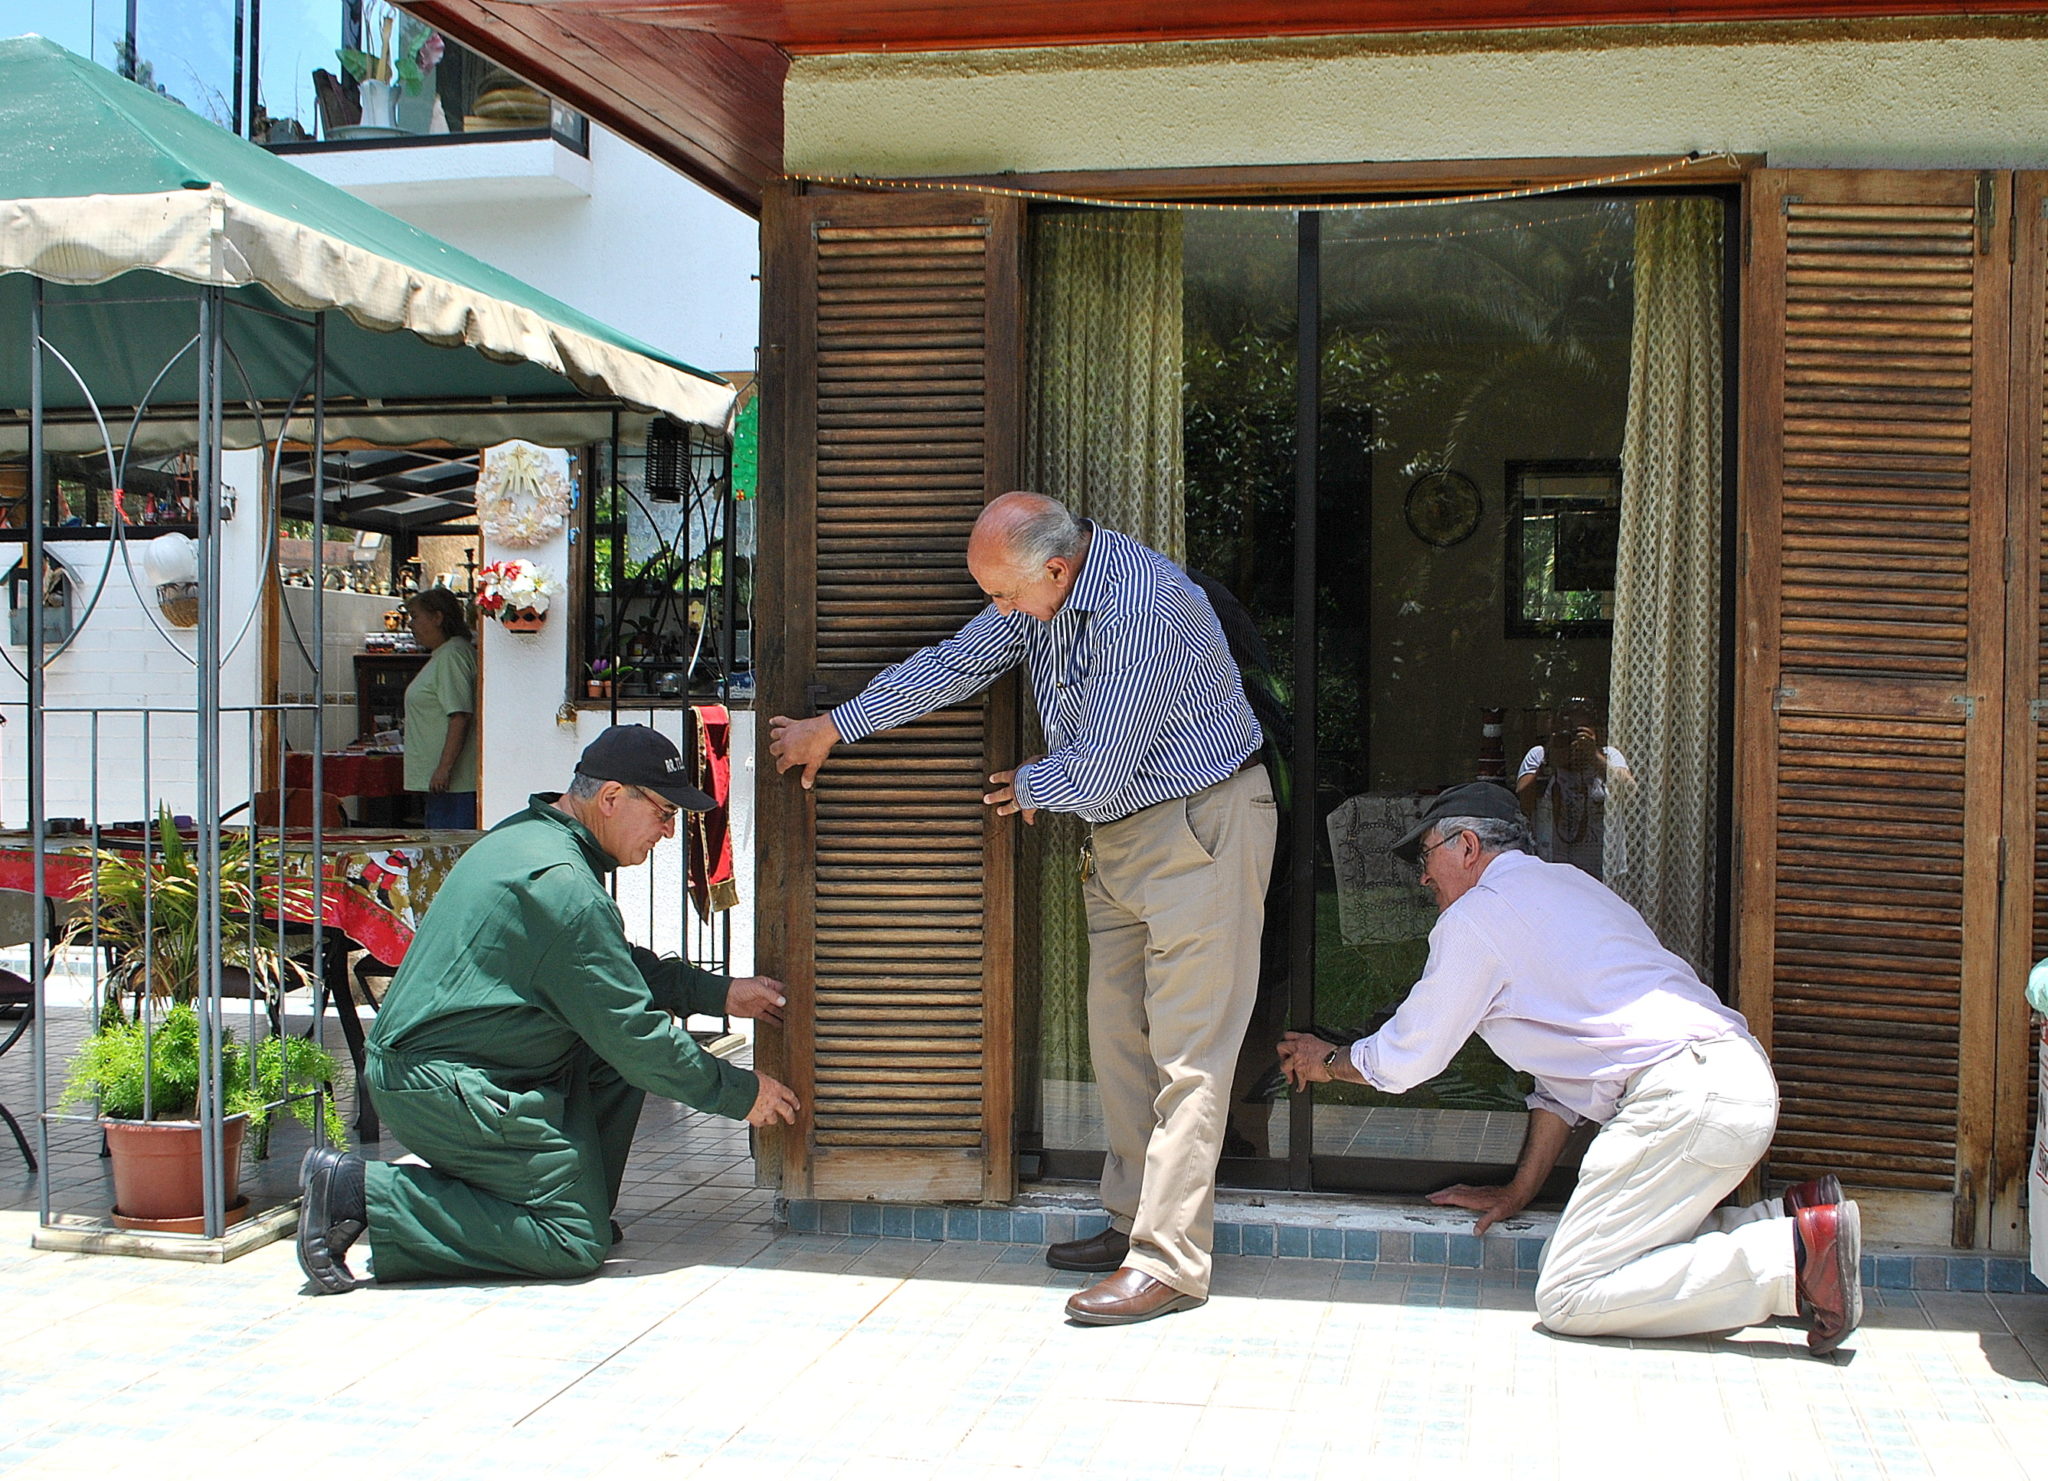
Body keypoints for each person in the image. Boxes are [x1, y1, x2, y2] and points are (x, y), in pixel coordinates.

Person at [769, 492, 1275, 1326]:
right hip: (1121, 834)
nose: (997, 612)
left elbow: (1102, 769)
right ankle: (1130, 1222)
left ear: (1056, 567)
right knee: (1118, 1037)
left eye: (1002, 596)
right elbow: (956, 663)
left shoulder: (1140, 607)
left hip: (1202, 822)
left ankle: (1171, 1262)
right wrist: (837, 726)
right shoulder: (1039, 595)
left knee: (1192, 1051)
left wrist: (1031, 784)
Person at [1277, 782, 1861, 1353]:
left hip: (1682, 1098)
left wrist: (1329, 1062)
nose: (1424, 876)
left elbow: (1410, 1057)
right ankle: (1795, 1223)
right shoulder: (1572, 888)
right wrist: (1518, 1190)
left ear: (1468, 847)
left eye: (1427, 855)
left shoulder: (1478, 917)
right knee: (1634, 1255)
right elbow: (1564, 1091)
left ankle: (1791, 1261)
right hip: (1736, 1085)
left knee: (1571, 1295)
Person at [296, 724, 802, 1293]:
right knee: (572, 1242)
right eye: (664, 812)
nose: (667, 831)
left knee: (606, 1064)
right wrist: (742, 1095)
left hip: (472, 1067)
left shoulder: (536, 839)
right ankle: (358, 1190)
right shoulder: (560, 882)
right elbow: (635, 1035)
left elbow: (604, 969)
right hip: (440, 1084)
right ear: (611, 798)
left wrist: (720, 993)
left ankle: (567, 1207)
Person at [1515, 699, 1632, 881]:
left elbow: (1631, 792)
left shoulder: (1609, 756)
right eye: (1568, 731)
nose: (1574, 739)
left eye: (1580, 731)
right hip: (1552, 862)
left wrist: (1594, 756)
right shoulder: (1540, 755)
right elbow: (1524, 805)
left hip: (1599, 864)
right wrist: (1551, 758)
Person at [402, 587, 479, 830]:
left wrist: (443, 769)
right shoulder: (445, 654)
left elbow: (460, 715)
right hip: (445, 784)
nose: (410, 625)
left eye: (415, 616)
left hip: (453, 785)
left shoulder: (452, 655)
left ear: (437, 617)